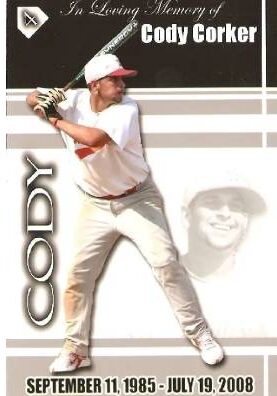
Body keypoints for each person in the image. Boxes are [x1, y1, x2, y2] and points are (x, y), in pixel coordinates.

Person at [26, 54, 223, 373]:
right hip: (95, 204)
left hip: (137, 200)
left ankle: (200, 334)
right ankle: (76, 349)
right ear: (94, 86)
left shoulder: (126, 110)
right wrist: (43, 98)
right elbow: (31, 96)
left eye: (122, 79)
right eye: (114, 79)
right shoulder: (74, 99)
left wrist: (52, 117)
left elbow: (94, 139)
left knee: (166, 263)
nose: (122, 85)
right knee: (78, 277)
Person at [181, 171, 273, 337]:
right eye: (212, 203)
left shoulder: (266, 298)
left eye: (236, 206)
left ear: (245, 222)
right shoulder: (150, 289)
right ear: (187, 216)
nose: (225, 213)